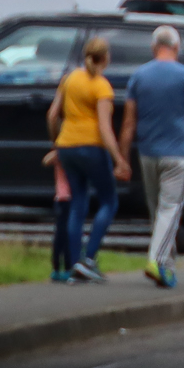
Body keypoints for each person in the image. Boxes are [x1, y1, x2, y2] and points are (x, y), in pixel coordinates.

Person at [118, 25, 184, 289]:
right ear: (177, 47)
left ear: (153, 47)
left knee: (157, 211)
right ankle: (156, 259)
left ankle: (166, 267)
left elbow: (128, 123)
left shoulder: (139, 76)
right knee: (170, 209)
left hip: (147, 154)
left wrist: (123, 158)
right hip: (178, 155)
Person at [47, 35, 126, 283]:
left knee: (78, 203)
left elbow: (52, 115)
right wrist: (119, 159)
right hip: (92, 147)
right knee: (109, 201)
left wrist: (56, 143)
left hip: (67, 146)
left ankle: (73, 264)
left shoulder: (69, 79)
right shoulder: (101, 86)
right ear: (106, 58)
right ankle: (88, 258)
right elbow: (104, 128)